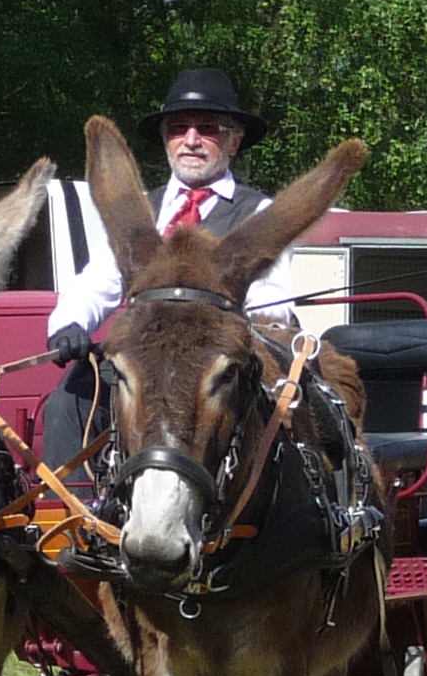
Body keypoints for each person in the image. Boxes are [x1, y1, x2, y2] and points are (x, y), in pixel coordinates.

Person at [39, 69, 297, 464]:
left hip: (212, 363)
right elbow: (97, 282)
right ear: (165, 139)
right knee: (67, 402)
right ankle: (72, 519)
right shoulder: (142, 209)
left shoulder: (259, 213)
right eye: (178, 129)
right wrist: (68, 325)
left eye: (207, 129)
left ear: (234, 141)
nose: (190, 141)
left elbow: (273, 301)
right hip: (145, 358)